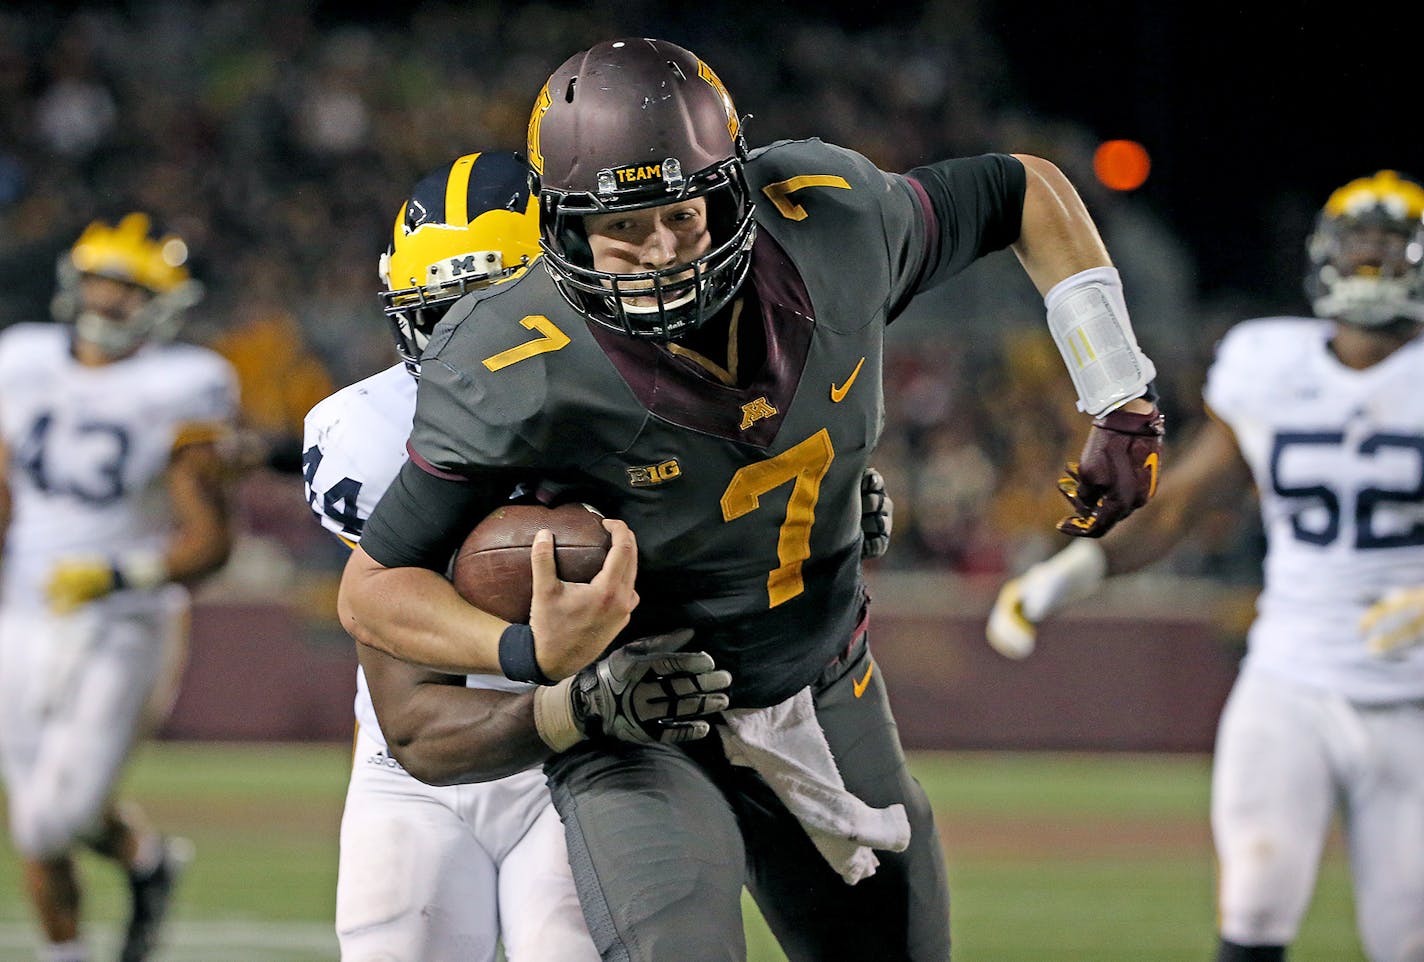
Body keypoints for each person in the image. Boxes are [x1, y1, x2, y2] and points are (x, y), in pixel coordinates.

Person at [338, 38, 1165, 961]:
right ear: (562, 230)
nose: (660, 254)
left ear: (732, 188)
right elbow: (373, 586)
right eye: (624, 229)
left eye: (683, 216)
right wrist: (528, 649)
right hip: (643, 715)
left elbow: (1022, 187)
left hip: (822, 678)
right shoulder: (508, 355)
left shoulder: (830, 224)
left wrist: (1117, 390)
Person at [304, 150, 735, 961]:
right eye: (444, 318)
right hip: (436, 757)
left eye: (492, 314)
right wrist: (539, 661)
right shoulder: (364, 432)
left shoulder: (658, 398)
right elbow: (413, 718)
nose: (469, 353)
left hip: (608, 753)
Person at [986, 169, 1424, 962]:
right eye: (1358, 252)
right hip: (1291, 680)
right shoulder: (1270, 363)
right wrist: (1075, 571)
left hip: (1415, 694)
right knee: (1253, 904)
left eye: (1387, 254)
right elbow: (1184, 501)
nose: (1369, 269)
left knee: (1408, 932)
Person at [0, 213, 238, 962]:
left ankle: (143, 859)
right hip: (23, 608)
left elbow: (210, 543)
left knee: (51, 816)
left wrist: (116, 574)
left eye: (127, 291)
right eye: (100, 284)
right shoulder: (21, 358)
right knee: (36, 813)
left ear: (162, 305)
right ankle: (132, 875)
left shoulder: (184, 383)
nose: (107, 303)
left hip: (124, 618)